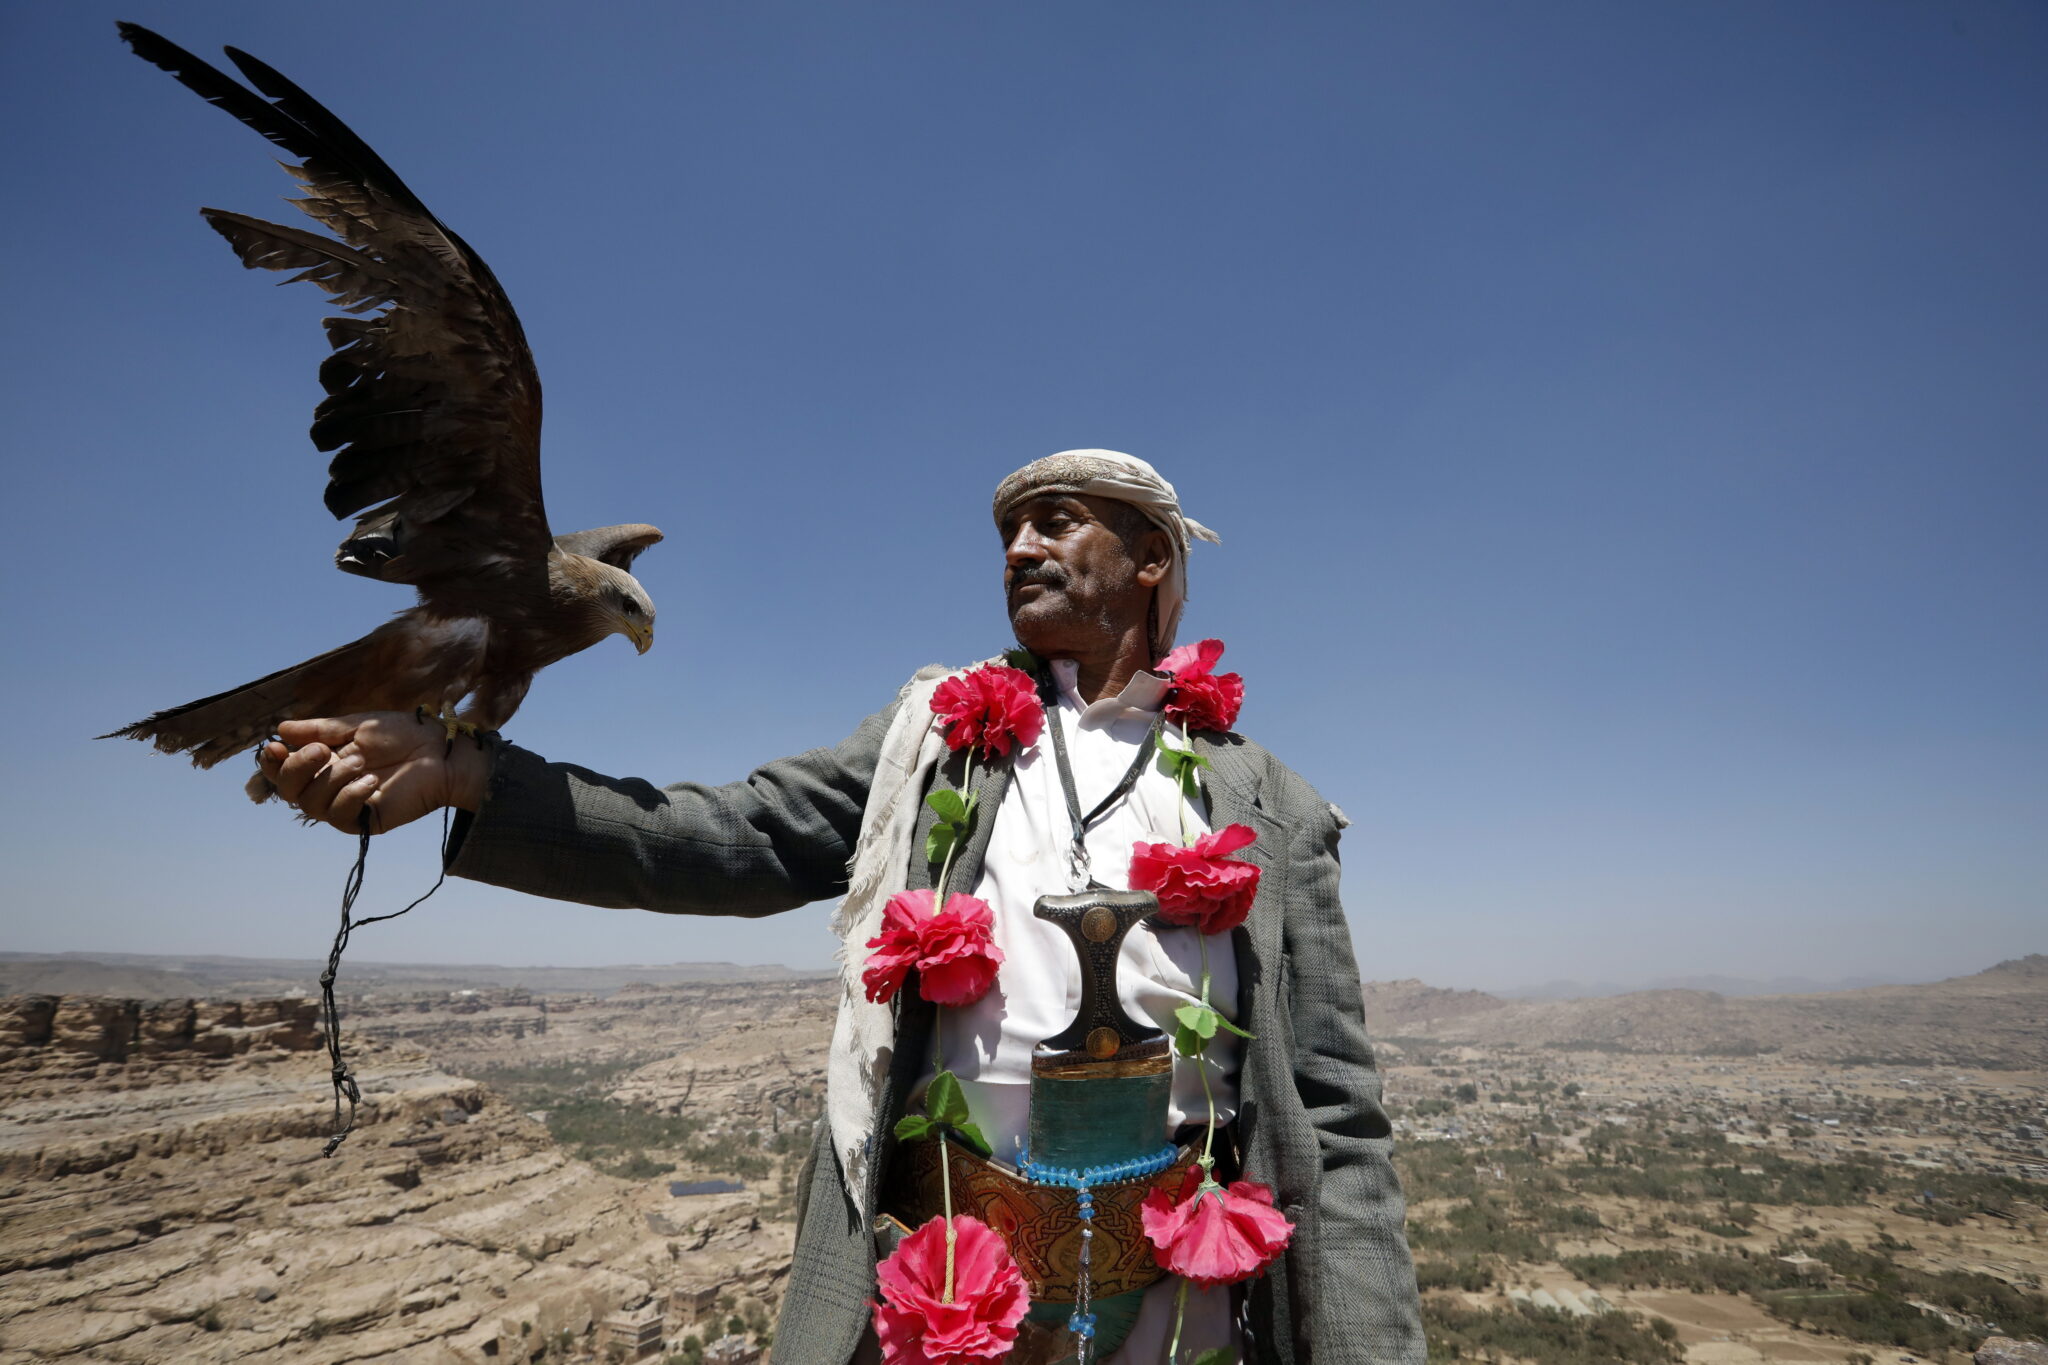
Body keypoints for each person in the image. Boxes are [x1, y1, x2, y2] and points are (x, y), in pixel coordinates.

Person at [260, 450, 1426, 1364]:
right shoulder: (936, 738)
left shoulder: (1262, 801)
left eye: (1055, 520)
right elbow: (737, 837)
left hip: (1187, 1311)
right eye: (1005, 532)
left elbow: (1333, 1119)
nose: (1017, 544)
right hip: (949, 1304)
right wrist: (477, 779)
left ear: (1151, 560)